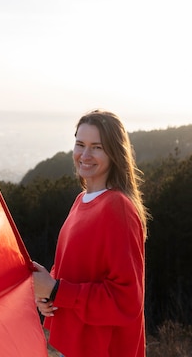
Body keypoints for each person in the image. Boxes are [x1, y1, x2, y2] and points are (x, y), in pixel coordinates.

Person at [32, 109, 151, 357]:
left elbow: (126, 299)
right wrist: (48, 292)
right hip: (78, 347)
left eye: (97, 147)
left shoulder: (118, 208)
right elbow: (78, 267)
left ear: (114, 153)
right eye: (80, 144)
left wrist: (56, 290)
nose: (85, 155)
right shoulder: (81, 200)